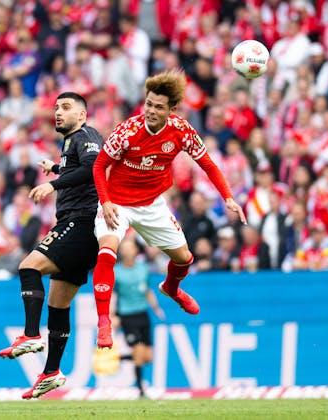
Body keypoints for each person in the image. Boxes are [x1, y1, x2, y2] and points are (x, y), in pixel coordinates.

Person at [91, 70, 246, 348]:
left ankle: (171, 288)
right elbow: (99, 166)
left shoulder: (181, 131)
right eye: (148, 104)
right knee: (107, 252)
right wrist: (106, 202)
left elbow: (208, 165)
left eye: (158, 107)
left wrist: (228, 197)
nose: (150, 111)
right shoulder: (128, 131)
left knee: (184, 259)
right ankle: (104, 322)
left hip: (152, 204)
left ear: (172, 109)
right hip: (117, 202)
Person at [0, 92, 102, 399]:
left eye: (66, 107)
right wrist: (56, 168)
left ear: (81, 115)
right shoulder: (71, 143)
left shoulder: (84, 135)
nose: (58, 112)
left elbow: (93, 168)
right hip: (84, 228)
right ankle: (51, 371)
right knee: (58, 303)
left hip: (80, 222)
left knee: (29, 267)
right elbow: (81, 170)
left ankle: (31, 335)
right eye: (56, 107)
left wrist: (52, 184)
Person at [110, 238, 164, 397]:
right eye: (124, 248)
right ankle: (141, 389)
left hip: (143, 313)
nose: (127, 251)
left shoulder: (143, 269)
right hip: (127, 315)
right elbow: (113, 295)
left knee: (148, 357)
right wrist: (113, 315)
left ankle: (118, 358)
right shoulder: (116, 271)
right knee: (139, 352)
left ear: (135, 250)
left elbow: (147, 290)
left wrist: (156, 308)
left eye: (130, 247)